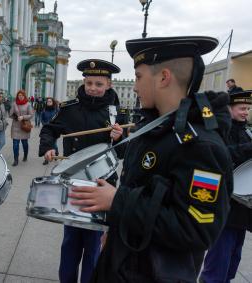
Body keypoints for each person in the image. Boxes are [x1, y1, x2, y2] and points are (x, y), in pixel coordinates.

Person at [69, 36, 233, 283]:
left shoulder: (201, 145)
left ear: (164, 77)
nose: (134, 87)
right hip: (123, 264)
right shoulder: (155, 129)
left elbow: (196, 229)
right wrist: (115, 231)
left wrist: (117, 202)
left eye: (138, 77)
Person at [39, 59, 124, 283]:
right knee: (70, 243)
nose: (93, 88)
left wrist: (120, 138)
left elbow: (125, 152)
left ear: (108, 84)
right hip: (73, 183)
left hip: (102, 186)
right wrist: (48, 146)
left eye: (98, 83)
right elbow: (49, 129)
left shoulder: (116, 113)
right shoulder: (70, 109)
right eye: (89, 83)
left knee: (94, 244)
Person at [200, 90, 252, 283]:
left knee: (232, 260)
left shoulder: (247, 131)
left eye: (248, 108)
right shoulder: (221, 131)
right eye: (242, 108)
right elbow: (223, 155)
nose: (246, 112)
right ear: (229, 109)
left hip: (242, 210)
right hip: (225, 208)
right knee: (218, 262)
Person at [10, 89, 33, 166]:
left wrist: (23, 117)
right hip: (16, 126)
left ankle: (25, 155)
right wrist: (16, 117)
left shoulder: (28, 104)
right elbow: (10, 114)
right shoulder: (14, 104)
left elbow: (31, 115)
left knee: (24, 143)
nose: (20, 97)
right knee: (15, 144)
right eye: (19, 95)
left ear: (24, 96)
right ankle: (16, 160)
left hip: (24, 126)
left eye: (21, 95)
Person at [40, 97, 59, 165]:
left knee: (54, 144)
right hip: (46, 130)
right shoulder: (44, 110)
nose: (49, 102)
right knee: (46, 144)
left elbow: (59, 119)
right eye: (48, 101)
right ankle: (46, 159)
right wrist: (44, 124)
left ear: (53, 102)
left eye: (50, 101)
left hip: (54, 130)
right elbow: (41, 118)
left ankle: (56, 153)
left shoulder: (56, 110)